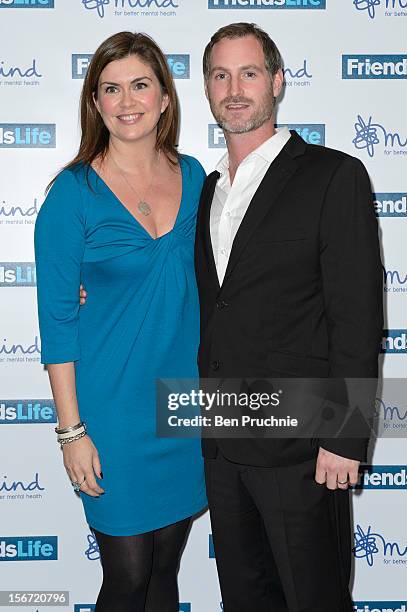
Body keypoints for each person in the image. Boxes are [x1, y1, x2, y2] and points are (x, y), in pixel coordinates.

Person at [195, 23, 383, 611]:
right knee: (244, 600)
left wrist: (344, 439)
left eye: (249, 73)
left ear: (276, 83)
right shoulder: (206, 190)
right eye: (220, 75)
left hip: (303, 450)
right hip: (223, 444)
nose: (234, 89)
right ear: (206, 89)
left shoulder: (334, 175)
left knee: (314, 600)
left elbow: (356, 316)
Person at [34, 31, 207, 612]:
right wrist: (71, 432)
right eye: (111, 88)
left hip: (183, 407)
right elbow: (57, 323)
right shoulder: (71, 195)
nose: (126, 100)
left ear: (164, 97)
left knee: (165, 574)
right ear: (95, 103)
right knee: (128, 577)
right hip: (110, 412)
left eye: (140, 85)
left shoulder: (198, 178)